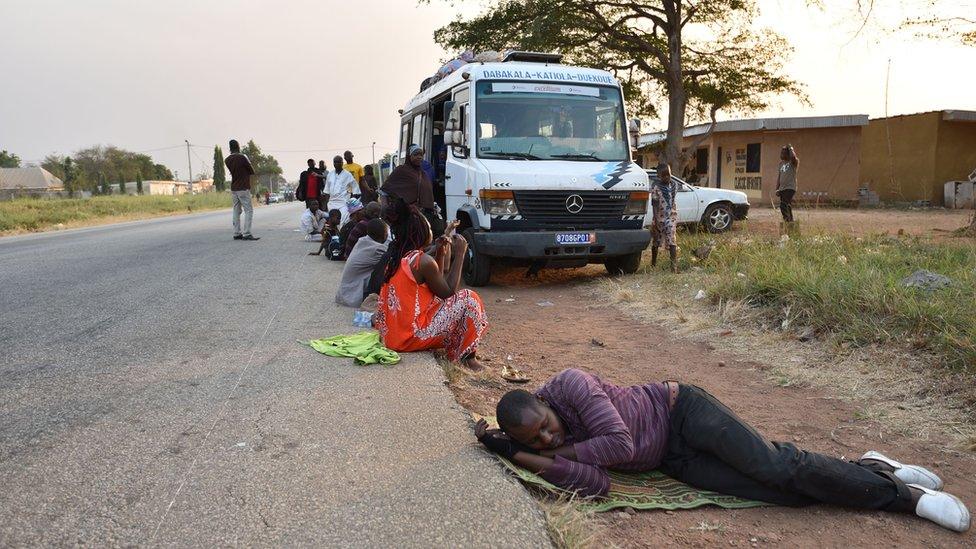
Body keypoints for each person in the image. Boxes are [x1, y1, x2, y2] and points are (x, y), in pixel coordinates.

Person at [476, 368, 971, 533]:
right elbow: (599, 483)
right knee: (786, 495)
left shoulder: (573, 384)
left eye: (544, 427)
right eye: (534, 442)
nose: (549, 440)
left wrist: (557, 456)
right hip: (673, 459)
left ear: (544, 400)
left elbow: (620, 444)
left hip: (681, 411)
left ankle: (905, 497)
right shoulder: (537, 445)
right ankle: (871, 467)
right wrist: (518, 456)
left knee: (776, 466)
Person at [375, 198, 487, 370]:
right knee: (469, 298)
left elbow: (437, 287)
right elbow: (448, 293)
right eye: (428, 228)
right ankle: (467, 358)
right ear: (420, 232)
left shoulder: (399, 258)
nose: (431, 231)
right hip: (411, 337)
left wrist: (440, 255)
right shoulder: (422, 261)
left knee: (442, 303)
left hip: (392, 337)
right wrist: (460, 254)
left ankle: (461, 350)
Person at [380, 144, 443, 235]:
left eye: (421, 155)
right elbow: (385, 189)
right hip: (409, 216)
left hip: (425, 215)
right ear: (409, 156)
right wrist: (384, 206)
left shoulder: (423, 173)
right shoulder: (401, 170)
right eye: (416, 154)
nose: (419, 157)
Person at [336, 218, 389, 308]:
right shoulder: (377, 249)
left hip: (344, 294)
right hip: (352, 298)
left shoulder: (362, 241)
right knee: (387, 268)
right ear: (384, 234)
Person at [224, 139, 259, 240]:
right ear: (238, 146)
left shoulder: (227, 160)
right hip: (243, 187)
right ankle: (247, 233)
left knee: (236, 210)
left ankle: (236, 233)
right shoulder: (243, 157)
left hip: (234, 188)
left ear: (230, 148)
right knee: (249, 210)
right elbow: (251, 171)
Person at [650, 161, 678, 272]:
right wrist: (656, 220)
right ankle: (653, 263)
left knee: (672, 239)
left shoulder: (674, 184)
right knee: (656, 241)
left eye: (669, 174)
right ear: (658, 176)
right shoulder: (655, 186)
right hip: (658, 217)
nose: (667, 177)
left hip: (671, 216)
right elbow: (654, 204)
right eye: (664, 175)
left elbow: (672, 200)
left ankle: (673, 266)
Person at [326, 155, 356, 225]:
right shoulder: (330, 175)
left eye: (339, 162)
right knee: (334, 222)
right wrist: (327, 204)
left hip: (344, 203)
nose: (337, 164)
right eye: (335, 162)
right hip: (332, 204)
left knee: (344, 220)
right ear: (333, 163)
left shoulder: (348, 175)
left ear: (342, 163)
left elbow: (353, 189)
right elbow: (327, 192)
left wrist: (350, 201)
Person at [776, 145, 799, 222]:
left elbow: (793, 157)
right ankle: (791, 222)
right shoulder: (780, 164)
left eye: (784, 152)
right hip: (782, 188)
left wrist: (791, 148)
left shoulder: (793, 162)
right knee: (788, 206)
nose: (781, 154)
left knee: (783, 205)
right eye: (781, 152)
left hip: (790, 187)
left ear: (788, 154)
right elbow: (779, 177)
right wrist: (777, 189)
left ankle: (787, 221)